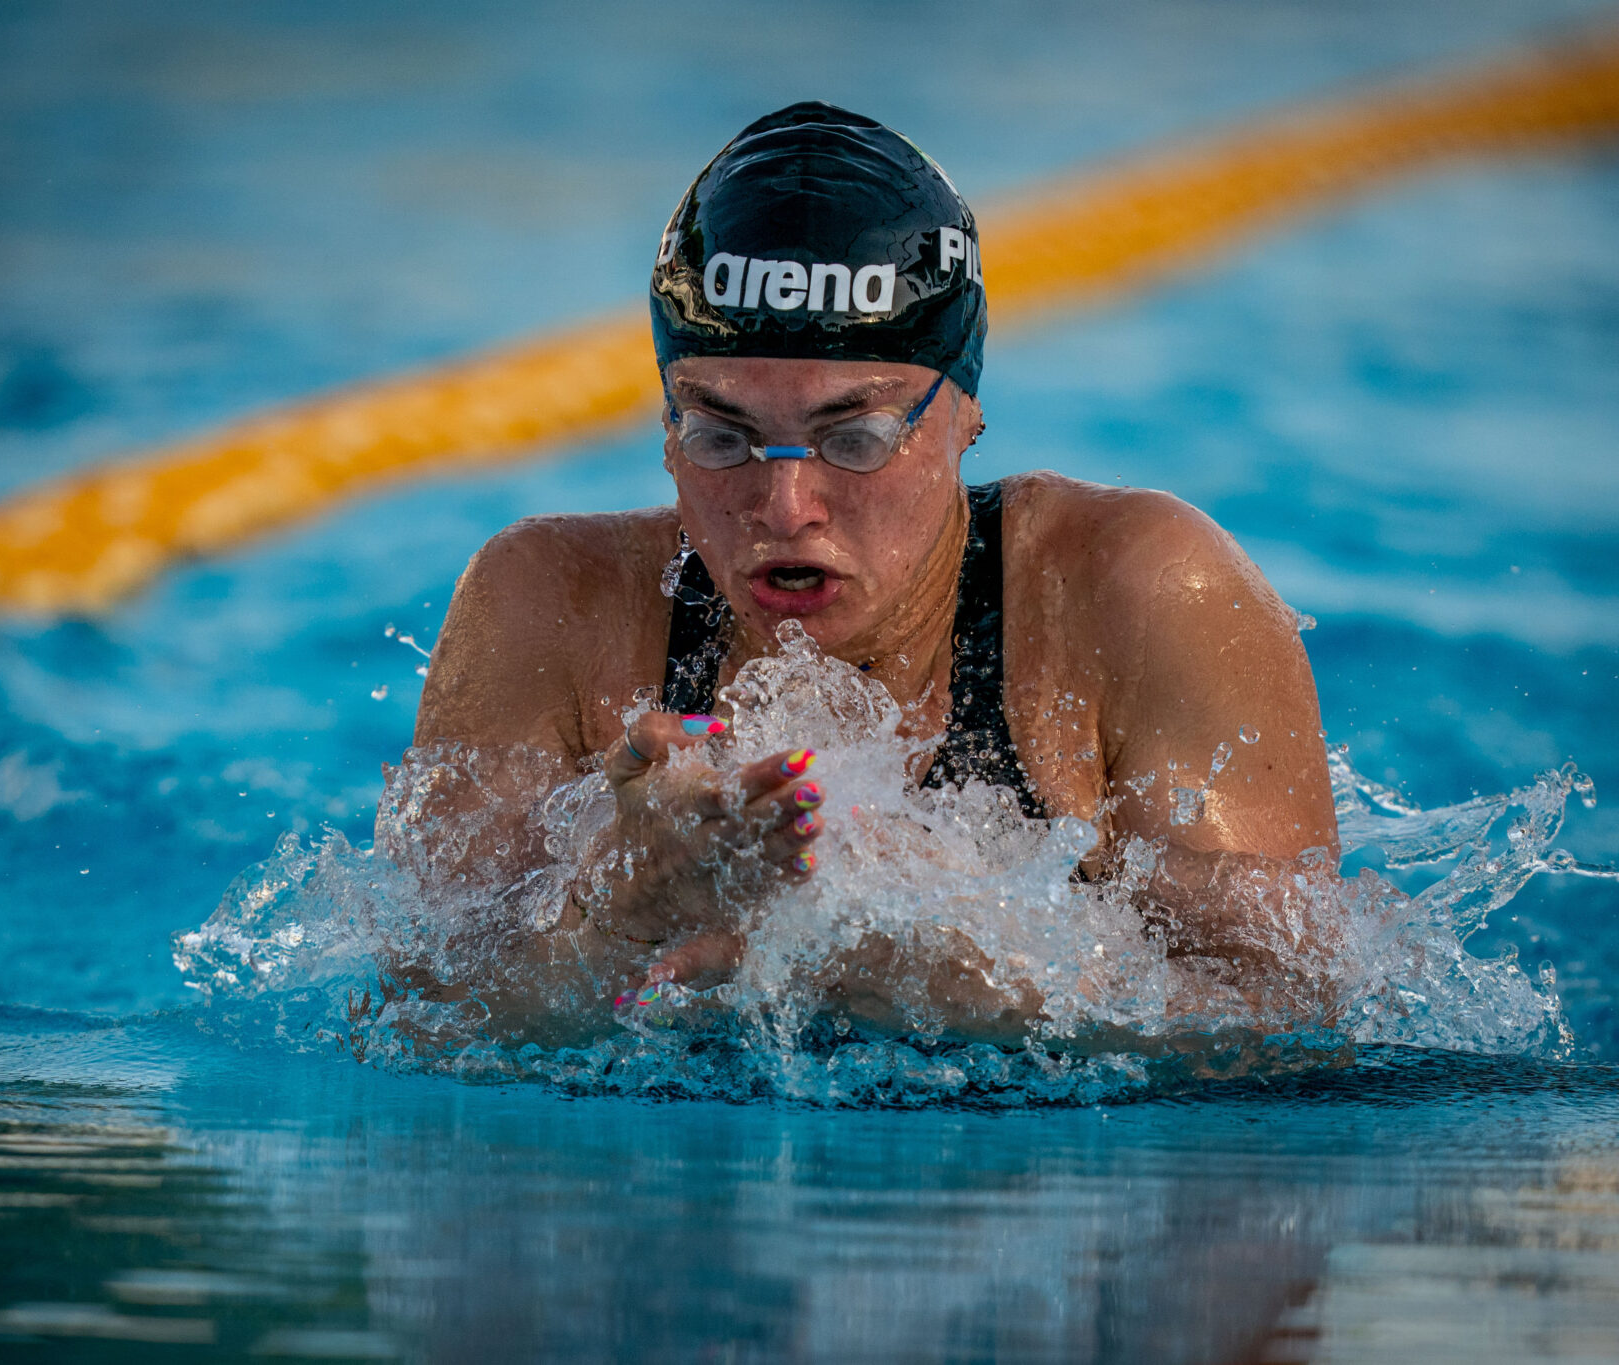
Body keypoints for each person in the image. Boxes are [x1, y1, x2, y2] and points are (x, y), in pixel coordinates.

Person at [398, 102, 1338, 1042]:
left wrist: (999, 991)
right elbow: (413, 1019)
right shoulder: (549, 606)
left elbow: (1305, 1023)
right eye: (722, 435)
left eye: (854, 437)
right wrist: (618, 926)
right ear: (668, 429)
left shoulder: (1137, 593)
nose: (785, 504)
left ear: (964, 408)